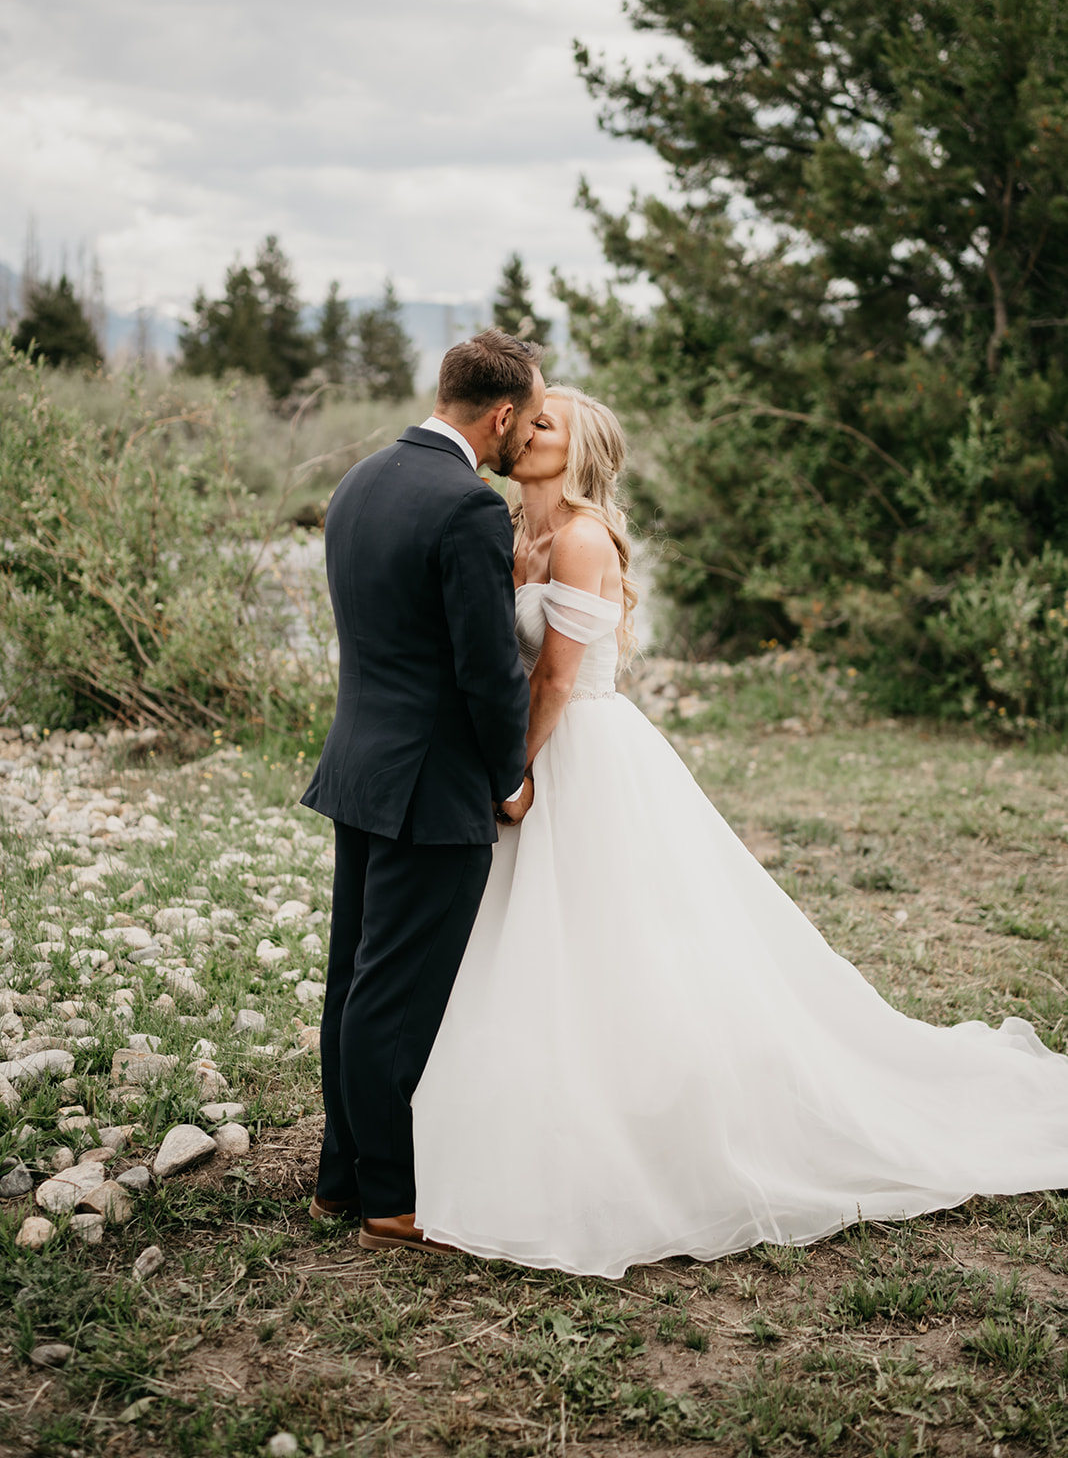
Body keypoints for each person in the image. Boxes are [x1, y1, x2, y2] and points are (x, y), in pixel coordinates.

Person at [411, 384, 1068, 1279]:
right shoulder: (510, 532)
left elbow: (558, 679)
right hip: (534, 756)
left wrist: (509, 774)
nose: (525, 431)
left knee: (618, 943)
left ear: (579, 451)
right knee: (537, 945)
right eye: (526, 420)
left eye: (546, 424)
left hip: (578, 752)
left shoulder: (577, 536)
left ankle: (653, 1126)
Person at [301, 329, 545, 1252]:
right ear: (504, 414)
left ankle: (337, 1178)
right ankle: (389, 1200)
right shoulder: (468, 508)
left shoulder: (358, 482)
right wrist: (508, 777)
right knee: (393, 996)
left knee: (352, 984)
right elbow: (487, 674)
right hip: (430, 788)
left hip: (360, 767)